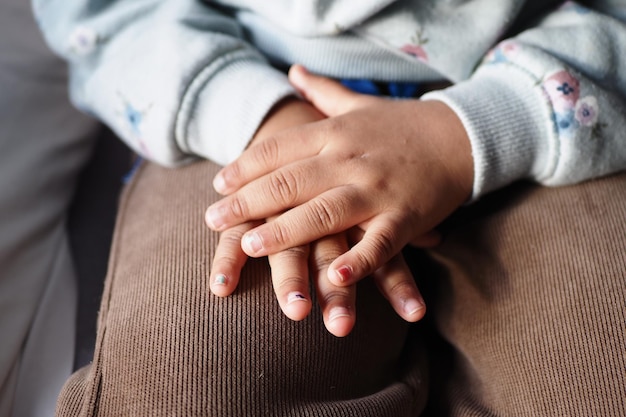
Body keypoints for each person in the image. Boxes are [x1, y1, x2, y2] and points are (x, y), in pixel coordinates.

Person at [28, 0, 626, 415]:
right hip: (240, 104)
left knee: (599, 375)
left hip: (551, 92)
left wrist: (465, 133)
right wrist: (269, 124)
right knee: (186, 380)